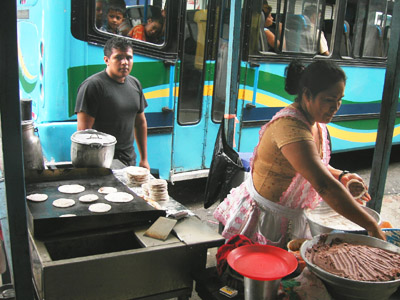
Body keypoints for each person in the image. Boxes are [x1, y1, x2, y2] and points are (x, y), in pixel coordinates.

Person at [214, 60, 385, 248]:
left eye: (339, 99)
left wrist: (342, 176)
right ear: (307, 95)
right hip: (265, 219)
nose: (336, 107)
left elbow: (309, 164)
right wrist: (370, 225)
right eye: (329, 100)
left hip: (288, 217)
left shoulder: (315, 123)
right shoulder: (290, 127)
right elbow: (324, 186)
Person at [75, 37, 149, 169]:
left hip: (128, 161)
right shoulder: (93, 86)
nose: (125, 62)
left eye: (129, 57)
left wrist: (144, 159)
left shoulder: (135, 84)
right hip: (102, 163)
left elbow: (140, 123)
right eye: (119, 58)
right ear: (107, 60)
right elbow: (84, 135)